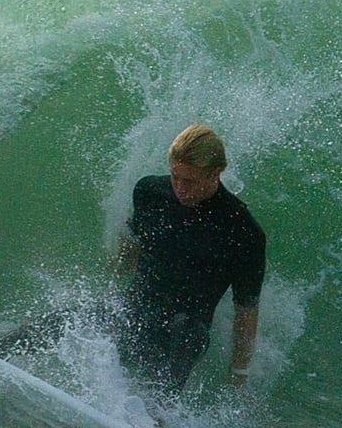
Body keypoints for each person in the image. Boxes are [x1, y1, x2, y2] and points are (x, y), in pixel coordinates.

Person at [114, 123, 267, 396]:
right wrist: (114, 276)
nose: (180, 188)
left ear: (215, 175)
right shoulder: (149, 192)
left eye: (190, 181)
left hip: (183, 332)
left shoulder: (242, 230)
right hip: (137, 312)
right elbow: (134, 246)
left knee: (185, 333)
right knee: (76, 318)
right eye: (175, 177)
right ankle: (10, 360)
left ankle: (155, 419)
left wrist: (238, 377)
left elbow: (246, 310)